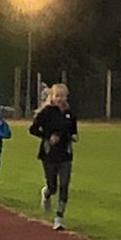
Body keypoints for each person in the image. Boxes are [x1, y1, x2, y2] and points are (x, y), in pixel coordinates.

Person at [30, 82, 78, 231]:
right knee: (53, 186)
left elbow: (73, 130)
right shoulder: (46, 113)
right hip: (49, 153)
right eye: (57, 96)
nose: (60, 99)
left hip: (65, 154)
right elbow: (32, 129)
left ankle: (59, 217)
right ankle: (46, 192)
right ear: (52, 96)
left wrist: (74, 136)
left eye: (63, 96)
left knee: (64, 184)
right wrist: (47, 137)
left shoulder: (70, 114)